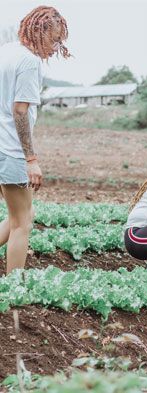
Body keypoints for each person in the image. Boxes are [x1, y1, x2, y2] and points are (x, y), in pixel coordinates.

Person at [0, 6, 70, 274]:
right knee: (22, 223)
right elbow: (20, 111)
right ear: (38, 31)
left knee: (23, 214)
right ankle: (13, 287)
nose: (55, 48)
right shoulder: (29, 61)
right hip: (11, 150)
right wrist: (31, 159)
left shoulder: (6, 51)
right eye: (54, 40)